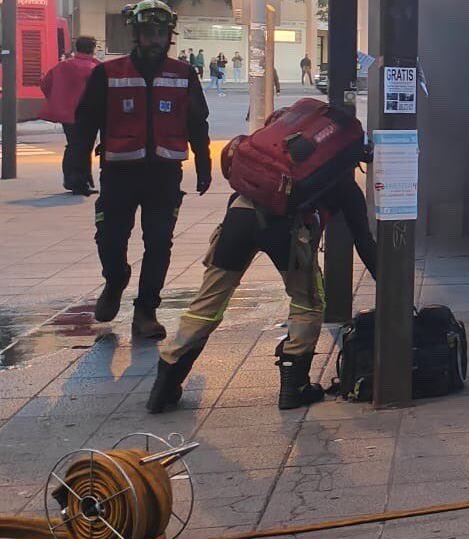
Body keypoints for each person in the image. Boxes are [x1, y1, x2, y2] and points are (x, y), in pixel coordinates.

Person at [146, 145, 377, 413]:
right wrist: (390, 289)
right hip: (286, 231)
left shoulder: (273, 165)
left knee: (206, 306)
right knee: (308, 304)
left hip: (238, 217)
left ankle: (163, 387)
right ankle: (294, 388)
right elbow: (363, 240)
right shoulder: (341, 183)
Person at [73, 0, 210, 341]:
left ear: (169, 36)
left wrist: (204, 162)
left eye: (161, 33)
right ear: (136, 34)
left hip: (164, 175)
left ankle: (146, 311)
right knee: (110, 239)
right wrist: (77, 165)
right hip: (119, 173)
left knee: (160, 242)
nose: (155, 40)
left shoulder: (183, 74)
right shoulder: (108, 73)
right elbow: (86, 120)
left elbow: (197, 121)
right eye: (149, 33)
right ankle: (115, 279)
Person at [37, 36, 101, 195]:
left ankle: (72, 179)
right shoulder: (96, 67)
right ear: (92, 48)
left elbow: (45, 84)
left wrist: (59, 100)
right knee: (85, 147)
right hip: (88, 114)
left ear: (76, 47)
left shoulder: (62, 66)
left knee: (73, 145)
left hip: (68, 114)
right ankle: (81, 182)